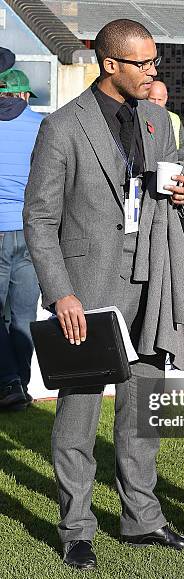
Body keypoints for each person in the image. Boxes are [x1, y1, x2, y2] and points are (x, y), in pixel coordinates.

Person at [23, 18, 184, 571]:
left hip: (154, 283)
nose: (153, 72)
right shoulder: (62, 127)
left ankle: (142, 519)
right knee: (79, 415)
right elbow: (39, 220)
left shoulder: (160, 119)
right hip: (87, 291)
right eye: (143, 63)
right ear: (109, 64)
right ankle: (77, 528)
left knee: (142, 412)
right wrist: (60, 292)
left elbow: (169, 189)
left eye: (155, 61)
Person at [0, 67, 42, 409]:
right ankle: (21, 387)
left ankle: (8, 382)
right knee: (24, 314)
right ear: (24, 95)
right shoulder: (42, 125)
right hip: (31, 232)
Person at [148, 80, 184, 161]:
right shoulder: (140, 116)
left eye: (160, 99)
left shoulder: (174, 118)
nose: (156, 103)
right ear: (146, 98)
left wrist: (168, 157)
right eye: (152, 99)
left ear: (166, 99)